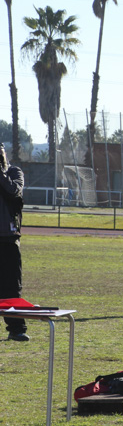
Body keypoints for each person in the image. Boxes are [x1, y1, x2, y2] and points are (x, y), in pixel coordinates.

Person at [0, 143, 28, 342]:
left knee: (11, 286)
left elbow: (13, 191)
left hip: (8, 239)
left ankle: (16, 328)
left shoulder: (14, 172)